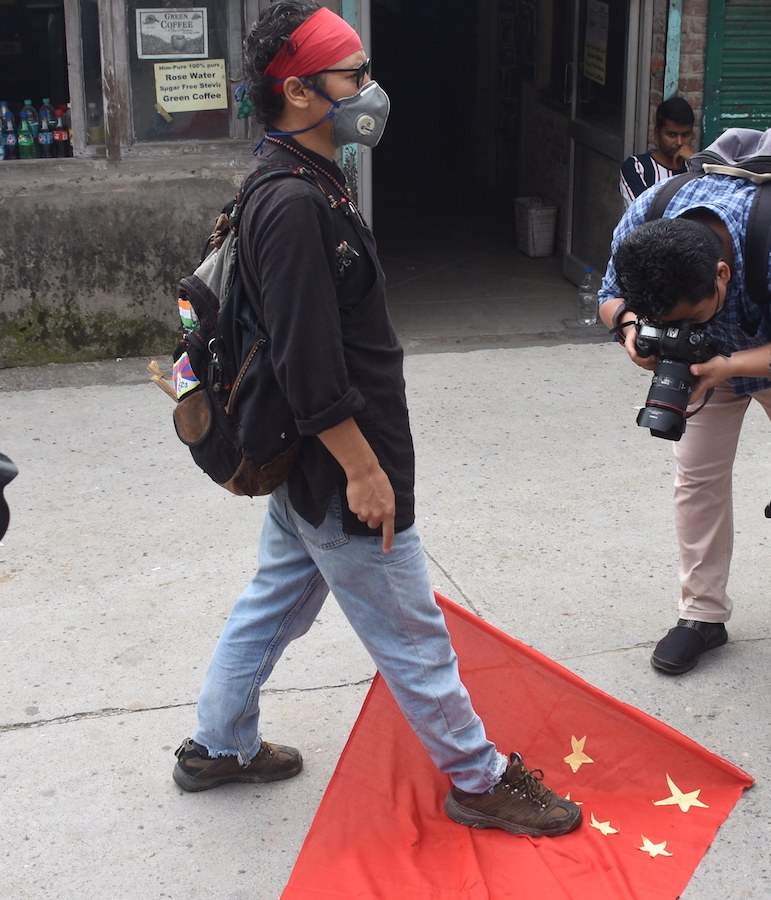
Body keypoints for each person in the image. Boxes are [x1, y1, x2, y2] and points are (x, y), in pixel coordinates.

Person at [172, 1, 581, 839]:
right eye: (353, 75)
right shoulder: (290, 203)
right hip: (337, 465)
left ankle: (216, 746)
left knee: (273, 601)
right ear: (296, 92)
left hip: (310, 463)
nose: (370, 88)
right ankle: (477, 778)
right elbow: (305, 361)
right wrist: (364, 471)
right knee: (413, 635)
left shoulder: (310, 174)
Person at [599, 173, 771, 674]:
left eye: (694, 318)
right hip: (705, 372)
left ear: (722, 274)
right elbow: (611, 296)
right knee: (696, 479)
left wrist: (729, 365)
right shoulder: (649, 215)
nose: (686, 331)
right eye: (672, 323)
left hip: (754, 349)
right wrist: (630, 327)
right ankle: (702, 617)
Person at [619, 97, 695, 209]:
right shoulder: (637, 168)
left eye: (685, 135)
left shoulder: (695, 168)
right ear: (657, 133)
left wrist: (696, 161)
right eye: (672, 135)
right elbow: (643, 215)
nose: (679, 142)